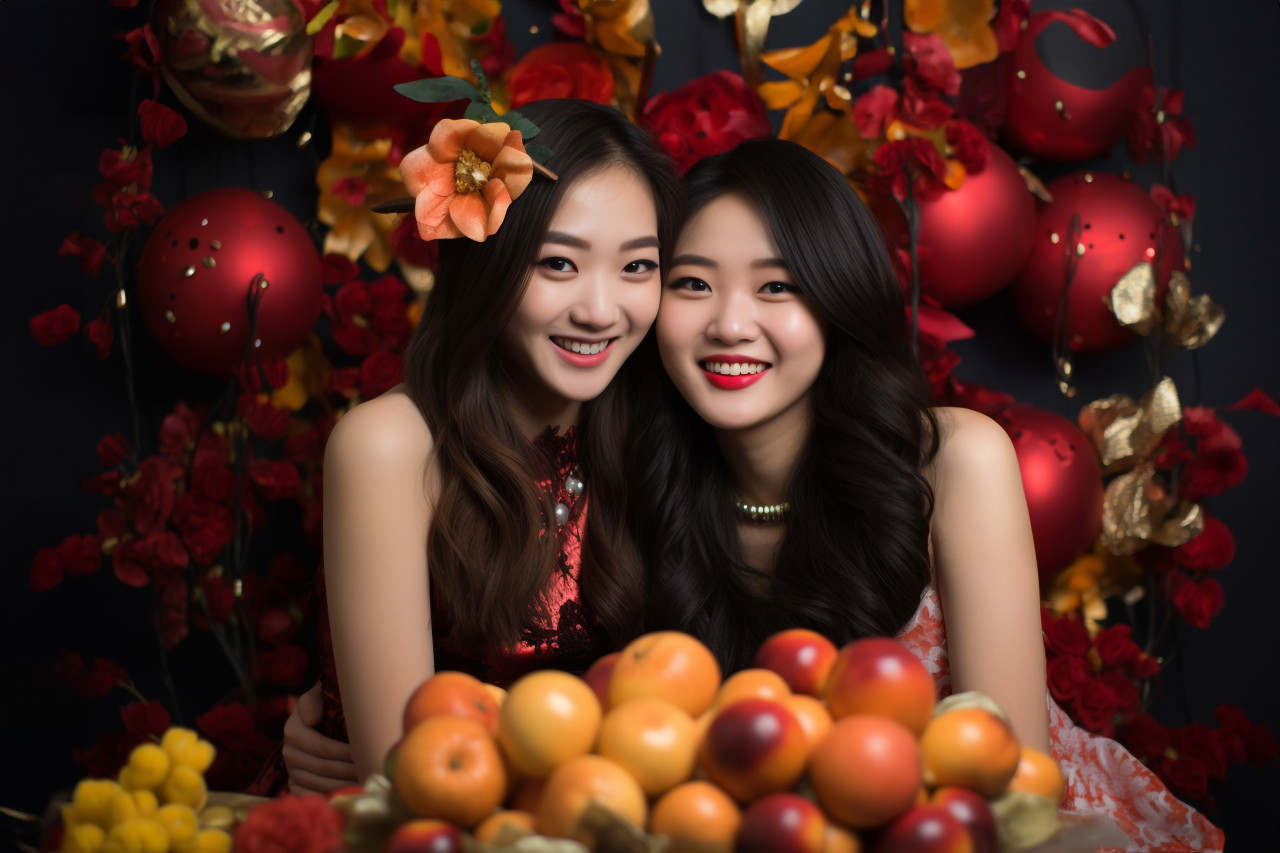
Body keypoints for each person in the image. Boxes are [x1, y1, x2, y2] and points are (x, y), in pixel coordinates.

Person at [629, 137, 1222, 852]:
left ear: (837, 299)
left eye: (777, 286)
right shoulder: (642, 482)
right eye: (692, 283)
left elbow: (1009, 782)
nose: (728, 324)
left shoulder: (952, 461)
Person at [269, 98, 683, 790]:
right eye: (558, 264)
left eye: (638, 268)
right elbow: (409, 772)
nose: (601, 310)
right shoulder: (391, 447)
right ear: (486, 263)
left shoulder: (654, 428)